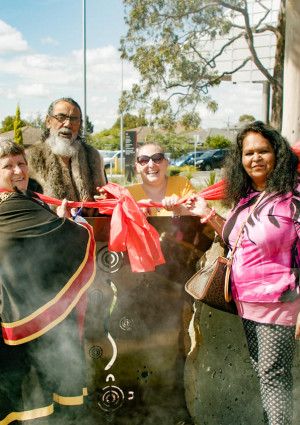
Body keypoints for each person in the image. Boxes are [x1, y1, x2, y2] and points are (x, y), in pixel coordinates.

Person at [188, 121, 300, 424]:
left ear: (278, 154)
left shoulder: (293, 198)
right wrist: (208, 215)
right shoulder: (247, 197)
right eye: (249, 152)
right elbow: (237, 239)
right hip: (245, 300)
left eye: (263, 150)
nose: (256, 158)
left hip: (279, 301)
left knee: (274, 376)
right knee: (264, 373)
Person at [0, 140, 96, 424]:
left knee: (26, 390)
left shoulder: (30, 200)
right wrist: (76, 226)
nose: (18, 171)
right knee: (28, 386)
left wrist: (58, 220)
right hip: (19, 310)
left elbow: (41, 238)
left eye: (21, 164)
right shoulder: (13, 204)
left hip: (27, 306)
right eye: (8, 166)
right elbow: (65, 237)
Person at [26, 97, 106, 204]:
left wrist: (105, 199)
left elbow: (104, 199)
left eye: (74, 119)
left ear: (80, 124)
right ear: (48, 121)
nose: (68, 124)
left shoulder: (93, 157)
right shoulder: (31, 158)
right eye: (61, 117)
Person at [127, 142, 195, 215]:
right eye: (144, 160)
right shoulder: (128, 194)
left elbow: (200, 217)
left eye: (157, 158)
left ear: (166, 163)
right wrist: (135, 214)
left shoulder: (182, 184)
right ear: (137, 167)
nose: (151, 165)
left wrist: (179, 208)